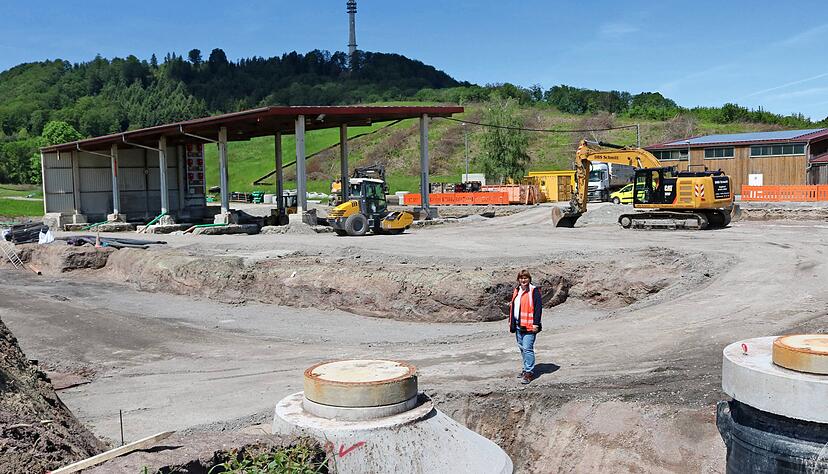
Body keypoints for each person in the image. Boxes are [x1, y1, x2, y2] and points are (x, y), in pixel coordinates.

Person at [509, 269, 542, 384]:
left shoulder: (534, 291)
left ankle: (529, 372)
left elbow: (538, 309)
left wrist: (536, 324)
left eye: (526, 278)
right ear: (518, 280)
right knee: (522, 348)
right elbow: (514, 307)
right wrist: (512, 322)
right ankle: (525, 369)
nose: (524, 280)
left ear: (529, 279)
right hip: (518, 325)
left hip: (529, 325)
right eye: (521, 278)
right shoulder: (517, 290)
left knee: (528, 348)